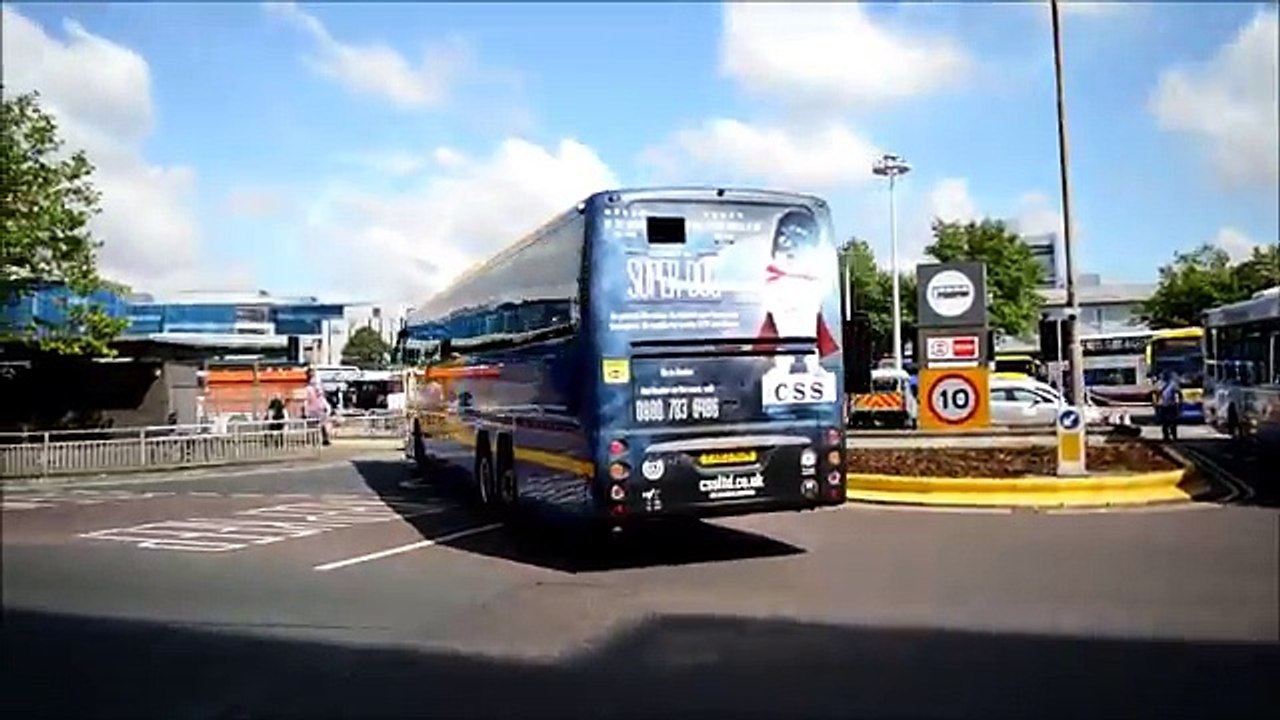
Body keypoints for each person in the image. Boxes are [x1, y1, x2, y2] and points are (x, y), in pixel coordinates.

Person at [1156, 369, 1183, 442]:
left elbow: (1179, 393)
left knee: (1172, 422)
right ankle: (1167, 437)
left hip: (1170, 405)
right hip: (1164, 405)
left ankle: (1172, 436)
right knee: (1166, 422)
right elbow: (1156, 394)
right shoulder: (1160, 384)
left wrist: (1180, 402)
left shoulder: (1171, 384)